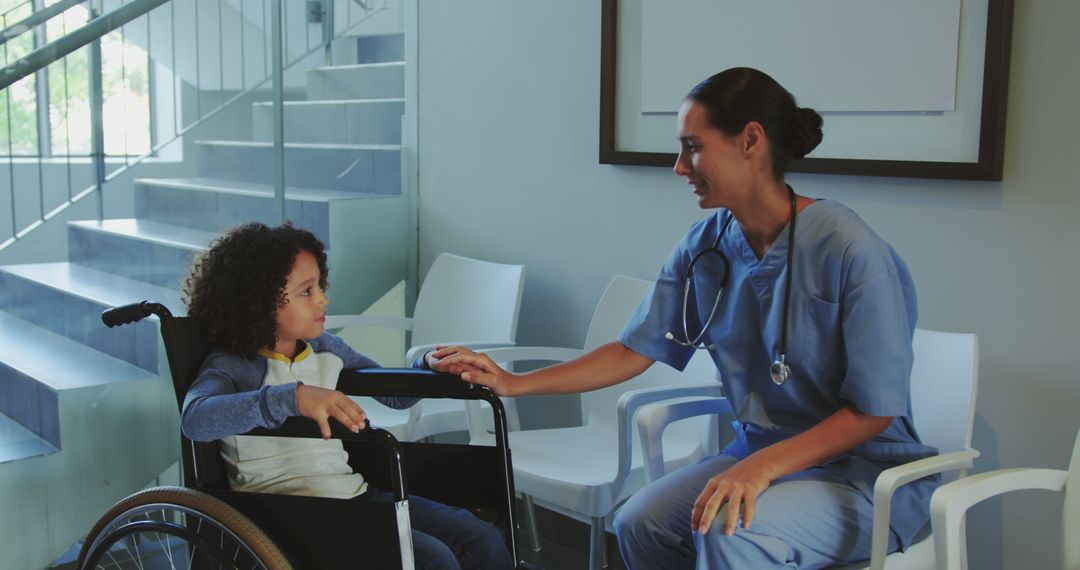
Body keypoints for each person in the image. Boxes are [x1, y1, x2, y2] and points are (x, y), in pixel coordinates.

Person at [431, 67, 938, 568]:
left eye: (692, 147)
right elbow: (634, 349)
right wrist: (514, 382)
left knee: (730, 530)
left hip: (862, 478)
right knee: (640, 523)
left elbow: (875, 412)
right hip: (762, 457)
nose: (679, 166)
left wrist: (763, 466)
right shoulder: (708, 245)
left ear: (750, 141)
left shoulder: (850, 251)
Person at [180, 222, 513, 570]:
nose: (323, 298)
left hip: (352, 496)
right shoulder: (233, 365)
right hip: (285, 512)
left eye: (319, 285)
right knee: (432, 560)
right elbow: (196, 420)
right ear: (258, 301)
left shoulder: (326, 348)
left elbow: (395, 396)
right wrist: (292, 398)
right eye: (306, 291)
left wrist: (427, 365)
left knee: (480, 536)